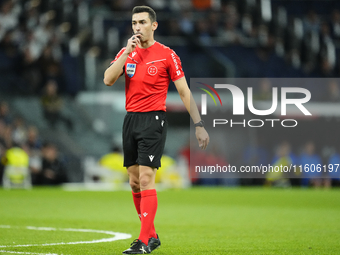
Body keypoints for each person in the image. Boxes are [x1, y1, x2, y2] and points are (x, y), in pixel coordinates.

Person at [103, 5, 209, 254]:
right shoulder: (126, 53)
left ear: (154, 25)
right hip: (130, 120)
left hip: (154, 120)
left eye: (141, 22)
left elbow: (184, 91)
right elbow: (108, 79)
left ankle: (142, 241)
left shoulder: (166, 55)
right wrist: (125, 54)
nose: (137, 27)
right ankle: (151, 235)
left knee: (147, 177)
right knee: (134, 181)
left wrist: (199, 124)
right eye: (133, 23)